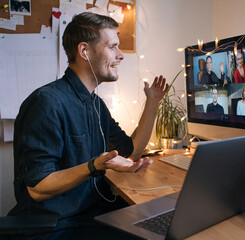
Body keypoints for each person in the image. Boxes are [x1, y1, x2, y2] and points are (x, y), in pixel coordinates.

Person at [8, 12, 168, 239]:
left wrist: (152, 102)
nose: (121, 55)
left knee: (162, 221)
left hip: (91, 215)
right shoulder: (47, 102)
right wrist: (94, 166)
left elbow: (131, 151)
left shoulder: (96, 104)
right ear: (85, 51)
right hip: (56, 227)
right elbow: (37, 187)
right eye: (113, 46)